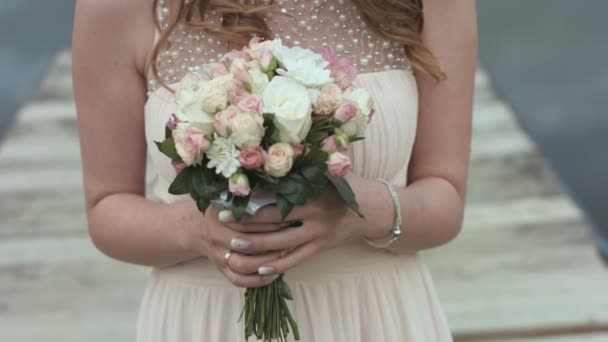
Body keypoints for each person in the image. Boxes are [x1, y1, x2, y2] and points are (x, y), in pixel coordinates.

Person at [72, 0, 477, 340]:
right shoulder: (120, 7)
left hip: (373, 318)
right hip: (208, 322)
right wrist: (198, 229)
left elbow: (446, 199)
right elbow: (106, 207)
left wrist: (359, 211)